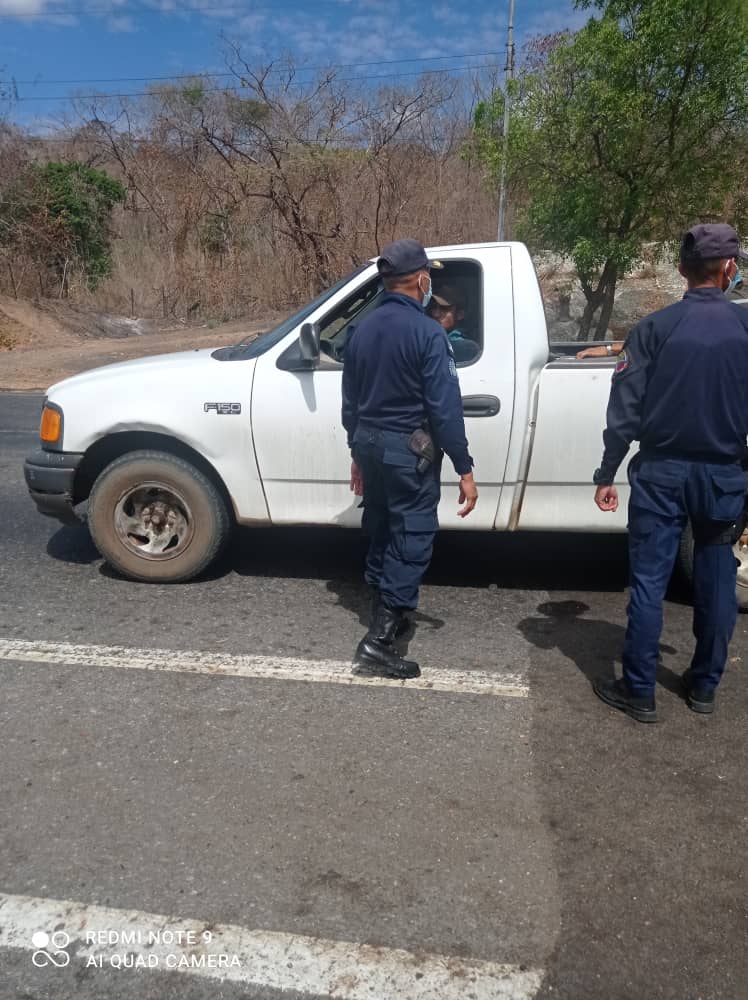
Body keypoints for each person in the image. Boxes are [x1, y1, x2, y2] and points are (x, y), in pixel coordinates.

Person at [592, 223, 748, 723]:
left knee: (649, 579)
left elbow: (624, 411)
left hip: (661, 472)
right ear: (729, 268)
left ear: (681, 269)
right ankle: (703, 685)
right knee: (718, 574)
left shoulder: (654, 330)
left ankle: (639, 690)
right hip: (725, 474)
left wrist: (606, 471)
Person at [342, 238, 478, 680]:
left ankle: (386, 610)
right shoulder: (428, 333)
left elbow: (350, 401)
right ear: (421, 279)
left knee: (381, 527)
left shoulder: (360, 330)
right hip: (407, 452)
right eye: (428, 278)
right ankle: (378, 643)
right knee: (412, 536)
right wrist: (464, 467)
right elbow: (444, 408)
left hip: (368, 444)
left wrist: (355, 453)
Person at [427, 284, 480, 364]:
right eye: (433, 307)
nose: (435, 314)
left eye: (444, 308)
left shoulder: (465, 346)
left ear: (460, 314)